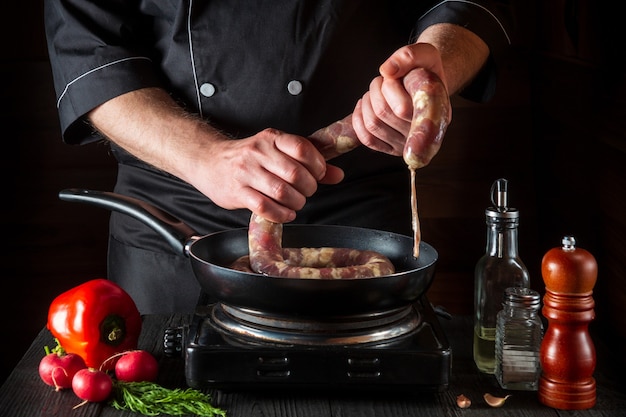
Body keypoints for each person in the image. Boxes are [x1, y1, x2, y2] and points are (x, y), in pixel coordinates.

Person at [44, 1, 513, 314]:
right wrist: (206, 156)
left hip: (360, 216)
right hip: (177, 228)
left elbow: (467, 3)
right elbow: (88, 51)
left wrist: (432, 66)